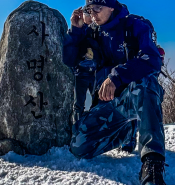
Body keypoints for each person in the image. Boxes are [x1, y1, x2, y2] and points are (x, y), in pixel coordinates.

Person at [68, 1, 167, 184]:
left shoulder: (135, 26)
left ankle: (152, 162)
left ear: (111, 7)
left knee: (144, 83)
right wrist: (75, 30)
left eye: (98, 8)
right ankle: (124, 132)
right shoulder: (93, 32)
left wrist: (116, 76)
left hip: (136, 97)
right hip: (109, 104)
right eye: (90, 10)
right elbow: (70, 60)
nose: (94, 14)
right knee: (79, 146)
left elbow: (152, 59)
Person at [63, 9, 102, 124]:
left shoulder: (99, 30)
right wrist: (76, 29)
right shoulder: (78, 31)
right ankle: (77, 128)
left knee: (98, 102)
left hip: (95, 73)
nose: (91, 16)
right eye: (87, 13)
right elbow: (68, 54)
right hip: (80, 73)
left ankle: (95, 128)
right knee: (78, 103)